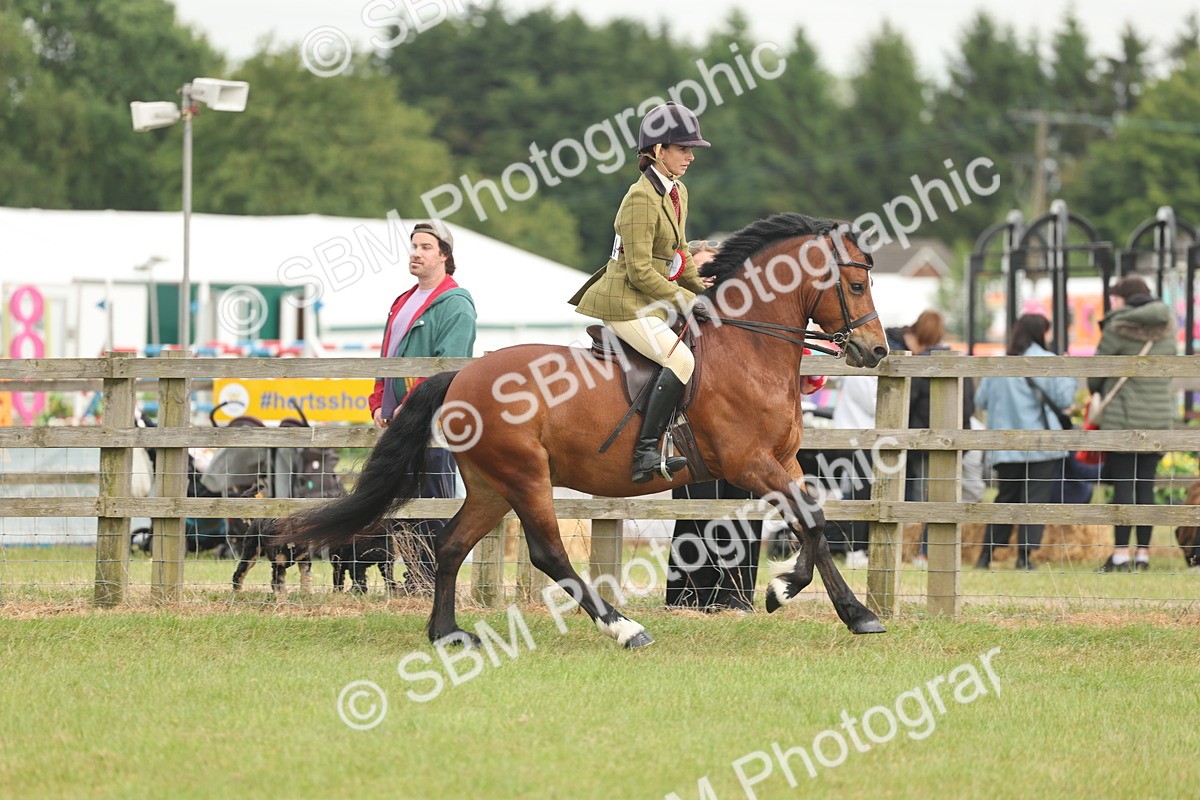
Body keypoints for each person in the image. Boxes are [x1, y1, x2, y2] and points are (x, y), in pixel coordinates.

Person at [664, 240, 826, 609]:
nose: (710, 281)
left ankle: (735, 599)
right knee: (695, 519)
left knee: (743, 516)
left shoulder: (748, 323)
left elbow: (811, 377)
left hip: (746, 440)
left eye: (716, 273)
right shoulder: (680, 317)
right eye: (701, 272)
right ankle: (686, 600)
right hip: (697, 438)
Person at [569, 101, 711, 483]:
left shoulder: (677, 191)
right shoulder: (640, 198)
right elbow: (640, 270)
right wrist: (686, 300)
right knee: (681, 361)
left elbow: (680, 249)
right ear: (657, 151)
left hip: (649, 297)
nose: (690, 157)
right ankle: (646, 451)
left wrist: (701, 286)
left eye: (691, 149)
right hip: (624, 302)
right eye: (683, 149)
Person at [368, 220, 477, 592]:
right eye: (413, 245)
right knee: (400, 500)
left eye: (426, 246)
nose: (415, 252)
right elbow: (389, 356)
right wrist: (379, 400)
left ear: (445, 255)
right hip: (396, 420)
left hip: (431, 420)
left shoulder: (456, 304)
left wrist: (411, 406)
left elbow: (449, 366)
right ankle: (414, 574)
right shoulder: (403, 300)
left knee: (433, 497)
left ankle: (431, 579)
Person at [973, 314, 1077, 570]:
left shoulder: (998, 365)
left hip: (1005, 446)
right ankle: (1024, 558)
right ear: (1042, 332)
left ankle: (985, 556)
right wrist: (1069, 370)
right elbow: (1064, 400)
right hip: (1041, 444)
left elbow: (981, 400)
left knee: (1005, 500)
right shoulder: (1047, 362)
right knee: (1034, 501)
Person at [1089, 276, 1176, 572]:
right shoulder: (1168, 327)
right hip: (1159, 417)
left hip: (1123, 418)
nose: (1112, 302)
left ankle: (1120, 555)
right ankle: (1143, 555)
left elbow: (1095, 373)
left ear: (1126, 298)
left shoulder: (1116, 326)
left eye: (1115, 297)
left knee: (1124, 486)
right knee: (1146, 488)